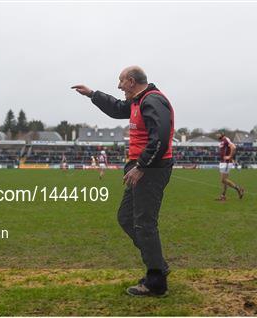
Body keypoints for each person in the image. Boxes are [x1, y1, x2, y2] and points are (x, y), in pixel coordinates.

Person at [72, 66, 173, 297]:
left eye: (120, 82)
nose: (118, 87)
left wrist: (141, 166)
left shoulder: (152, 101)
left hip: (150, 170)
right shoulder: (137, 101)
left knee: (144, 223)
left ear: (130, 81)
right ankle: (157, 263)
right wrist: (92, 94)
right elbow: (117, 108)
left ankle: (156, 280)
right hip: (142, 168)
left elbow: (162, 136)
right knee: (126, 217)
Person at [215, 131, 244, 201]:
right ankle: (223, 195)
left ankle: (239, 189)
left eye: (218, 134)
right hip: (223, 162)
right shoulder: (222, 141)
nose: (217, 135)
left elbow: (233, 147)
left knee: (223, 180)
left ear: (222, 134)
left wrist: (230, 157)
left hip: (226, 162)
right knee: (225, 180)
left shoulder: (226, 139)